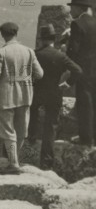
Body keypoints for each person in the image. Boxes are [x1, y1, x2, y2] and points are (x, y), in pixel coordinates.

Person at [0, 22, 43, 174]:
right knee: (20, 130)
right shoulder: (29, 51)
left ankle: (13, 163)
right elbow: (40, 73)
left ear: (3, 34)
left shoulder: (1, 52)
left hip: (5, 96)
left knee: (7, 131)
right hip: (25, 95)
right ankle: (15, 160)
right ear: (16, 33)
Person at [29, 24, 82, 169]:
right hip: (54, 92)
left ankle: (31, 137)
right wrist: (67, 83)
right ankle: (46, 162)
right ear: (54, 39)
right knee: (50, 126)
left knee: (32, 113)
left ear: (41, 39)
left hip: (37, 92)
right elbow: (77, 70)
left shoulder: (34, 54)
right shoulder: (60, 56)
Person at [66, 0, 96, 146]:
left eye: (71, 7)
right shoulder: (94, 22)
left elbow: (74, 52)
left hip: (84, 71)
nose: (70, 10)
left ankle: (85, 139)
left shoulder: (77, 24)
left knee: (84, 104)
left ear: (78, 8)